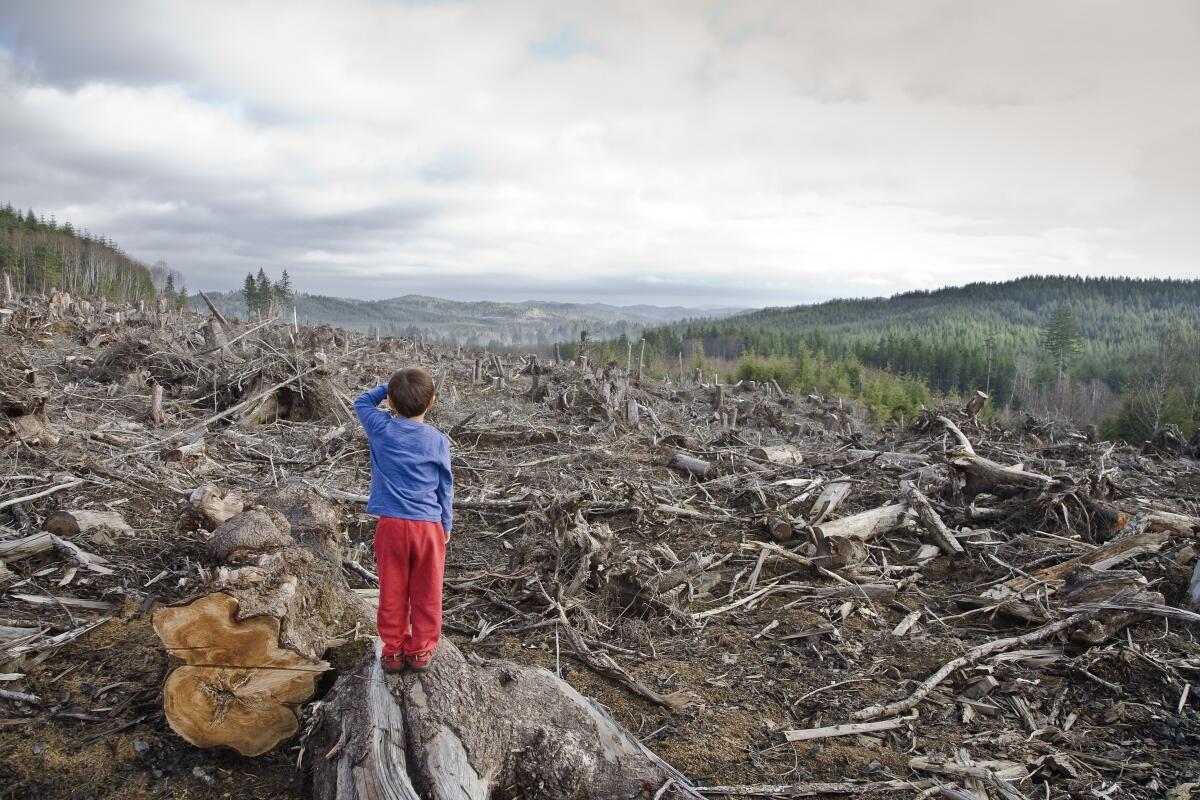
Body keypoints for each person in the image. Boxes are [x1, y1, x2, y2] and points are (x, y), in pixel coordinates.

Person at [353, 367, 453, 673]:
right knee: (428, 592)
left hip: (392, 527)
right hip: (428, 527)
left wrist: (390, 388)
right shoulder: (437, 440)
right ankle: (421, 651)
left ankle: (393, 652)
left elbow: (360, 402)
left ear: (392, 404)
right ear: (432, 402)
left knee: (392, 592)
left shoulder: (380, 428)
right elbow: (444, 486)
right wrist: (445, 525)